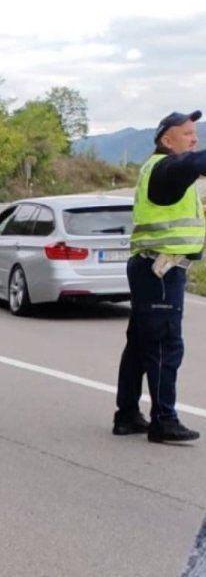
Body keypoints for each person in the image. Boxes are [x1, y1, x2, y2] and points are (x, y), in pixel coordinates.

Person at [113, 110, 206, 443]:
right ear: (167, 140)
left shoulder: (159, 170)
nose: (194, 140)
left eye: (196, 133)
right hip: (160, 271)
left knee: (140, 344)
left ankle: (126, 415)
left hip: (151, 267)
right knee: (166, 345)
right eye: (188, 134)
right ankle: (164, 419)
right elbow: (192, 165)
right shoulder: (167, 168)